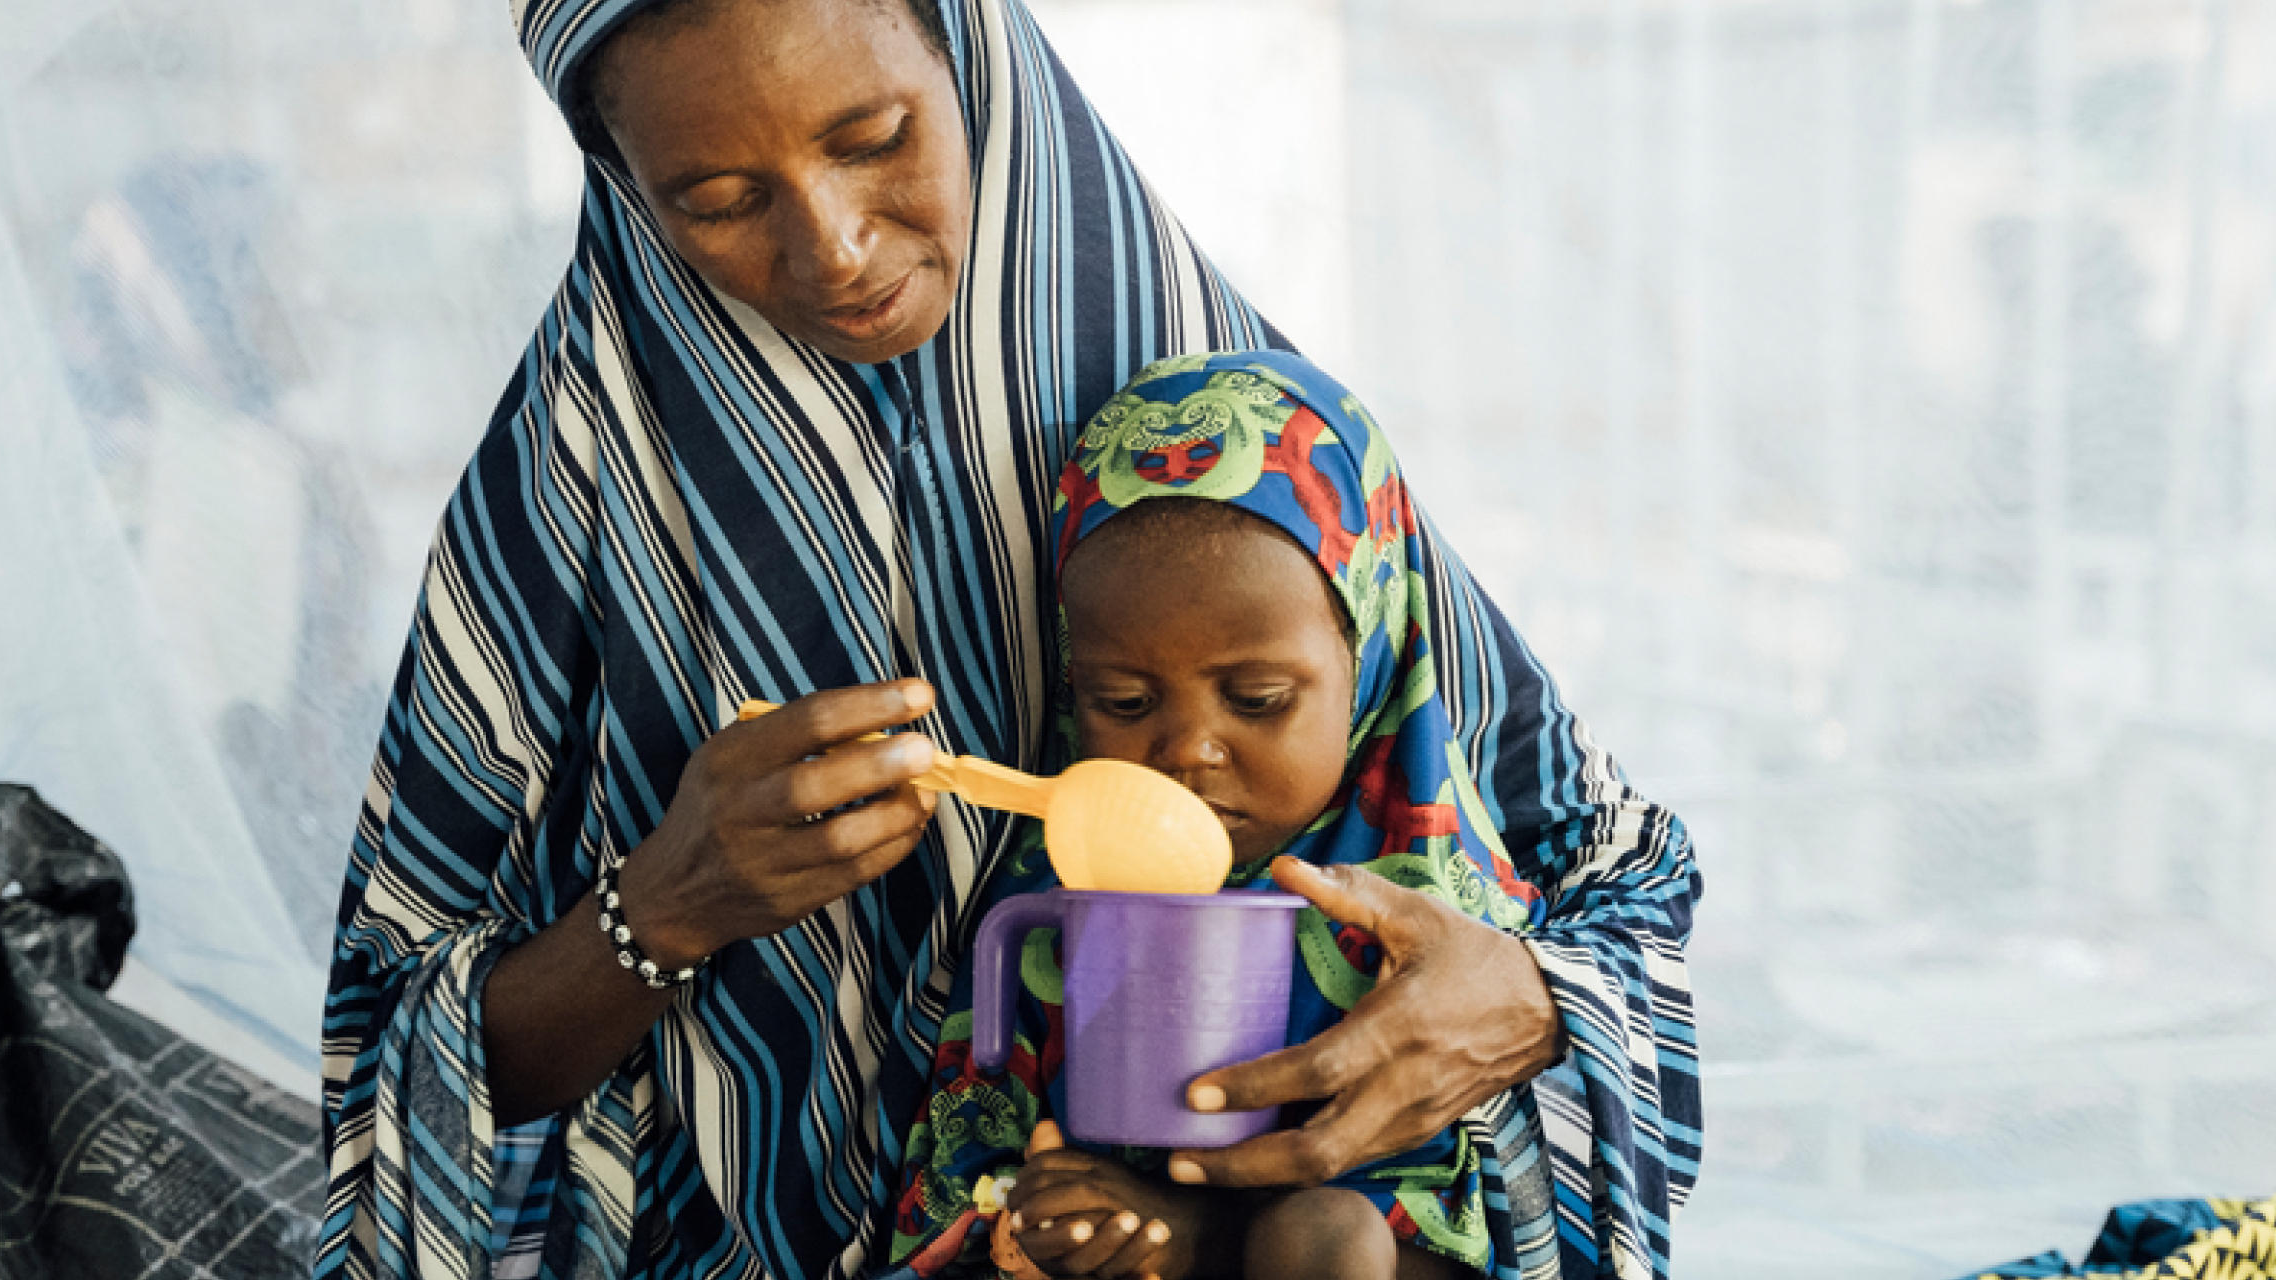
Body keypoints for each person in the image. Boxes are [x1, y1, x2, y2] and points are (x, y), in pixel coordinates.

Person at [318, 0, 1703, 1276]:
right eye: (720, 200)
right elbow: (393, 1077)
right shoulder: (572, 501)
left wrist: (1518, 997)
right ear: (628, 189)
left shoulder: (1237, 437)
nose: (836, 247)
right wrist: (669, 908)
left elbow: (1612, 881)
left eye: (875, 139)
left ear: (971, 64)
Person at [890, 350, 1547, 1280]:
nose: (1189, 749)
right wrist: (1034, 1219)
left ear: (1370, 662)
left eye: (1259, 697)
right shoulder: (1053, 886)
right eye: (1123, 702)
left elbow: (1506, 1210)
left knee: (1326, 1236)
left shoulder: (1445, 915)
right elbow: (982, 1162)